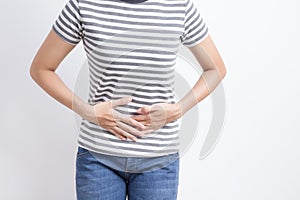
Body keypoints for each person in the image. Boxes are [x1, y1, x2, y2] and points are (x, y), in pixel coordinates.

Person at [30, 0, 226, 199]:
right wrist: (88, 111)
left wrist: (179, 109)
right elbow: (41, 68)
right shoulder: (84, 5)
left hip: (158, 161)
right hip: (98, 158)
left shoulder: (178, 6)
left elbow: (215, 69)